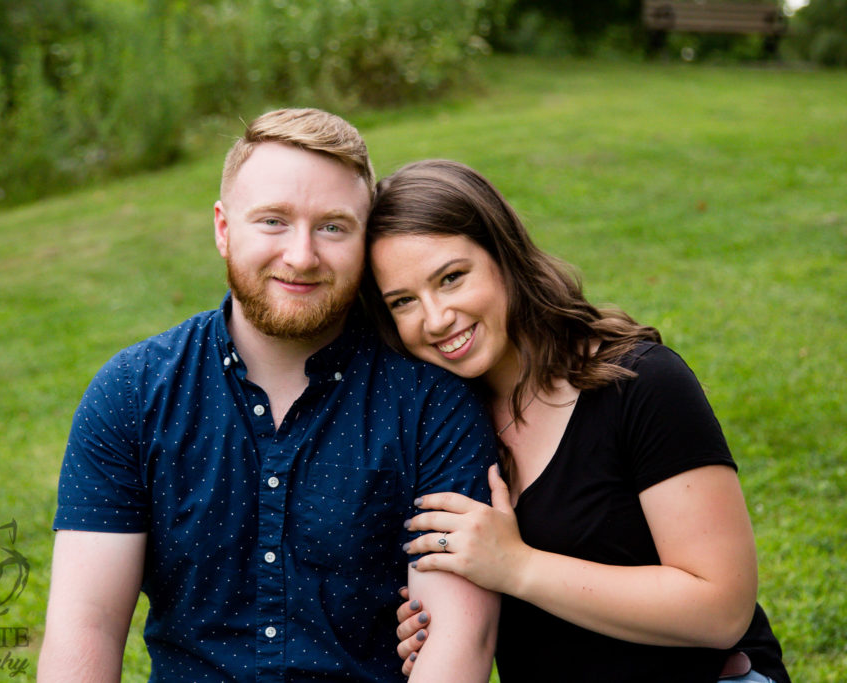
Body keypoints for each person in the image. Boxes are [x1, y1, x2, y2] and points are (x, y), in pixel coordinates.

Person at [37, 111, 500, 682]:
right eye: (274, 221)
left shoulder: (430, 405)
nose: (302, 256)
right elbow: (85, 626)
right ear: (224, 228)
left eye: (333, 227)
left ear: (365, 241)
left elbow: (457, 642)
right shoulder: (133, 394)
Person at [364, 159, 790, 683]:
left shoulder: (641, 383)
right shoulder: (443, 427)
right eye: (403, 301)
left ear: (503, 256)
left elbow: (721, 610)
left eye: (451, 278)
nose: (435, 318)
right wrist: (434, 623)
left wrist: (516, 566)